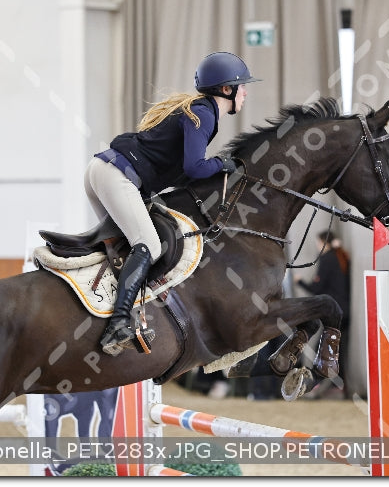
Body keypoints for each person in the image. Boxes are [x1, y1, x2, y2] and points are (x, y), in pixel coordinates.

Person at [85, 52, 261, 356]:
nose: (245, 92)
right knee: (149, 246)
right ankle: (118, 324)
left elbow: (183, 175)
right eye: (241, 86)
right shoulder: (204, 114)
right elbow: (195, 168)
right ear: (226, 89)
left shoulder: (199, 111)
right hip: (117, 176)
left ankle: (105, 310)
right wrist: (224, 164)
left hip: (102, 172)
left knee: (127, 248)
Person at [295, 230, 351, 397]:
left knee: (324, 351)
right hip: (345, 311)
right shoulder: (342, 258)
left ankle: (317, 385)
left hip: (333, 313)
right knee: (338, 351)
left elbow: (317, 289)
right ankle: (339, 387)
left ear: (323, 243)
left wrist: (300, 282)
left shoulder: (327, 259)